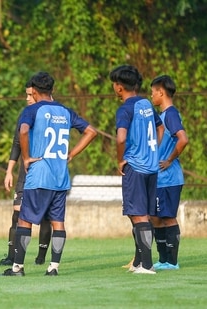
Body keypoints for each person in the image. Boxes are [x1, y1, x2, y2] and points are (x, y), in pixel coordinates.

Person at [2, 72, 97, 277]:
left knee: (25, 220)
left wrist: (26, 158)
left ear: (34, 92)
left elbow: (23, 131)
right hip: (60, 176)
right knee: (58, 222)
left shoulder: (33, 110)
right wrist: (71, 154)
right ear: (52, 90)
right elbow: (91, 132)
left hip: (39, 175)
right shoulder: (65, 111)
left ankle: (17, 268)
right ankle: (53, 267)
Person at [110, 65, 164, 275]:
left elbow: (121, 137)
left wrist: (120, 160)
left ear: (119, 87)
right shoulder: (146, 104)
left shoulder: (125, 108)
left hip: (135, 166)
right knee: (141, 215)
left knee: (138, 215)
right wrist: (153, 150)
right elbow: (160, 127)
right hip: (151, 167)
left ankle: (147, 265)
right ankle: (139, 262)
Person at [0, 81, 52, 266]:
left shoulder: (53, 113)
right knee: (17, 213)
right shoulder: (26, 114)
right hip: (25, 173)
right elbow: (16, 143)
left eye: (31, 95)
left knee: (46, 216)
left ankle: (41, 256)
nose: (28, 99)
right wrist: (9, 171)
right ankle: (11, 256)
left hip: (47, 172)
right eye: (27, 95)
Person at [149, 75, 188, 271]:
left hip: (169, 178)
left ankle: (172, 262)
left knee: (168, 217)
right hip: (159, 178)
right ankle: (163, 259)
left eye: (153, 92)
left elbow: (183, 139)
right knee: (155, 217)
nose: (151, 96)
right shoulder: (163, 116)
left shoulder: (170, 114)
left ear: (161, 92)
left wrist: (170, 159)